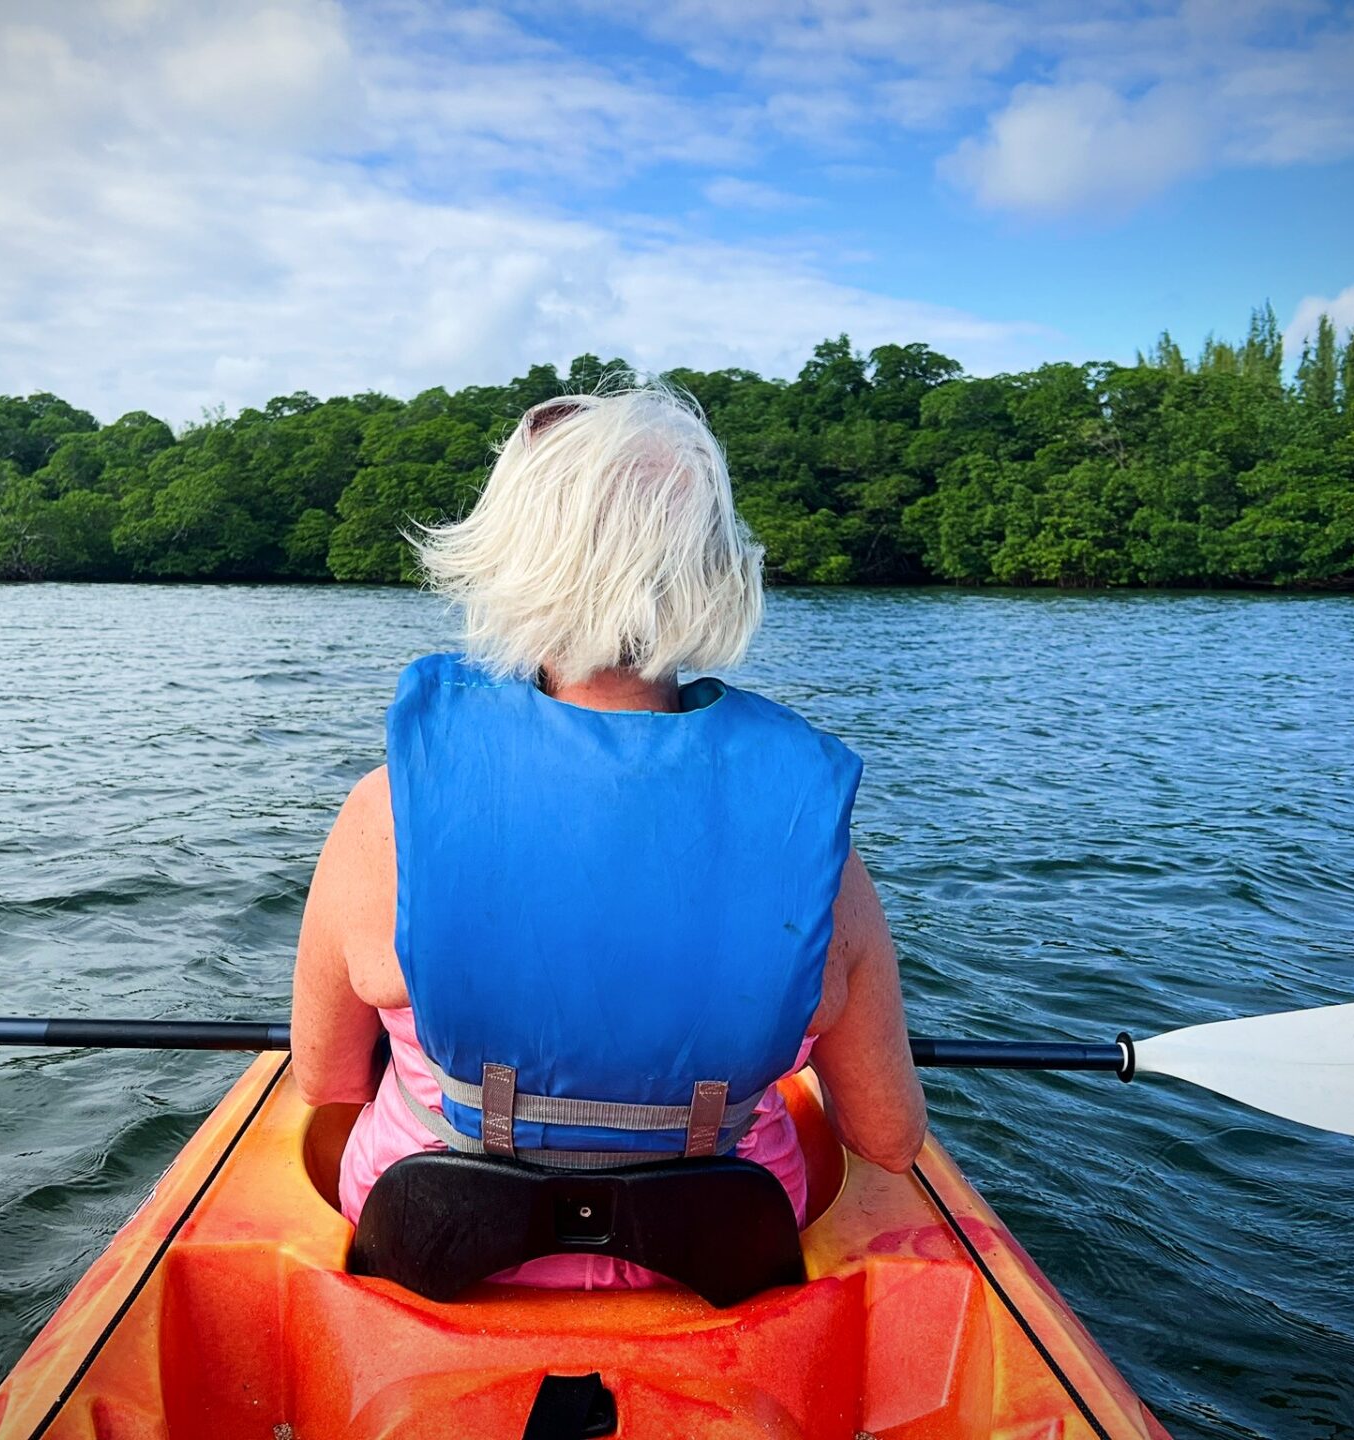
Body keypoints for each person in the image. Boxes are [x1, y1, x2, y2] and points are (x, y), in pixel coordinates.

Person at [292, 382, 925, 1289]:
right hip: (715, 1272)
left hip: (434, 1253)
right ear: (714, 572)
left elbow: (327, 1084)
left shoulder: (384, 814)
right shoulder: (809, 843)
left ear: (512, 561)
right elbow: (887, 1138)